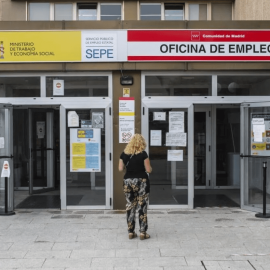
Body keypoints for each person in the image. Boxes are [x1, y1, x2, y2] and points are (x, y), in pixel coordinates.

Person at [119, 134, 152, 240]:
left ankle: (131, 232)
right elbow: (148, 170)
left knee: (130, 205)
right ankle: (143, 232)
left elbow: (120, 168)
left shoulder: (123, 154)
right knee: (142, 205)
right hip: (141, 181)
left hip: (128, 181)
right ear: (142, 143)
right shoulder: (143, 154)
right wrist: (150, 167)